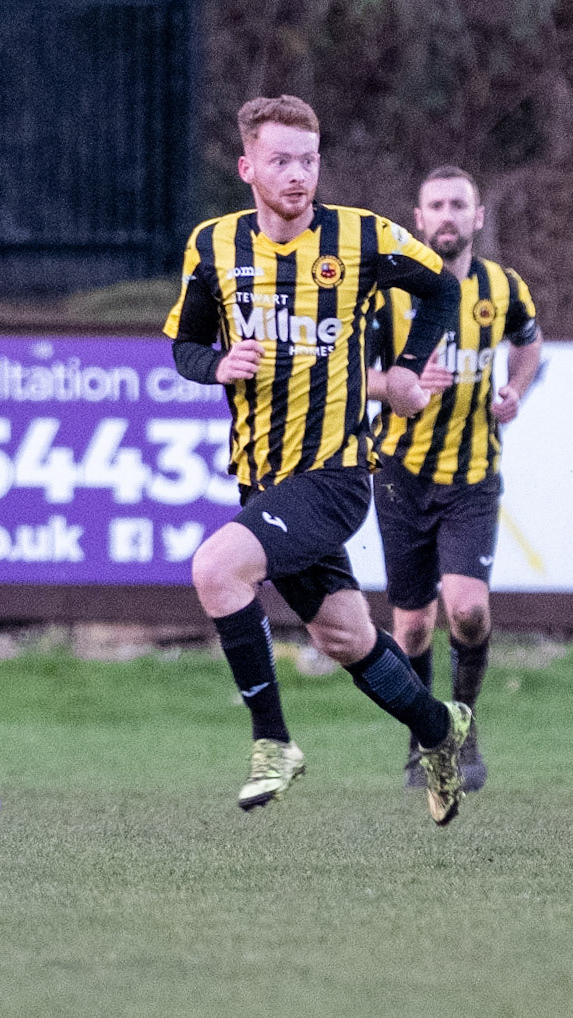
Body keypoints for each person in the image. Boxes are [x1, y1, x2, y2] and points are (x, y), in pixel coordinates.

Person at [164, 95, 471, 826]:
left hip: (334, 474)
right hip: (261, 478)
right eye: (280, 160)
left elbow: (440, 288)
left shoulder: (360, 235)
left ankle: (273, 742)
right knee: (346, 637)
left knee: (216, 569)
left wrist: (405, 371)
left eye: (308, 160)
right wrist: (217, 365)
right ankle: (439, 728)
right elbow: (185, 346)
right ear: (247, 168)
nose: (298, 174)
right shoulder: (213, 245)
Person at [367, 165, 542, 790]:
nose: (447, 215)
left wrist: (516, 389)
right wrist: (399, 383)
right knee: (412, 625)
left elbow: (529, 342)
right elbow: (351, 375)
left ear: (477, 217)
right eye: (436, 205)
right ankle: (425, 741)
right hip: (400, 475)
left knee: (467, 611)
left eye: (458, 204)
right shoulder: (389, 292)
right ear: (418, 219)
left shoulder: (503, 286)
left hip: (472, 478)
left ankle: (462, 733)